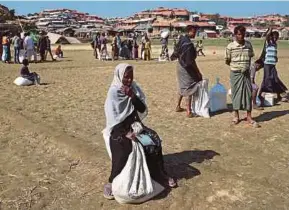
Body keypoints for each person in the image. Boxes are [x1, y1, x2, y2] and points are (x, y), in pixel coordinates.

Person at [103, 63, 176, 199]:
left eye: (131, 77)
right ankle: (112, 181)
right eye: (126, 77)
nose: (129, 80)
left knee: (153, 139)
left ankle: (159, 174)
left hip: (134, 124)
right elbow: (112, 118)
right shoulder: (114, 92)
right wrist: (126, 133)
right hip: (119, 129)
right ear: (119, 77)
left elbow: (142, 109)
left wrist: (133, 97)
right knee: (123, 146)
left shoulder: (134, 88)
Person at [225, 25, 259, 127]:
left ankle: (249, 116)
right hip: (235, 73)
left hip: (246, 74)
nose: (241, 36)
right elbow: (227, 60)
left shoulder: (248, 45)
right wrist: (237, 67)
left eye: (243, 34)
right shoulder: (230, 46)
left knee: (248, 94)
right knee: (236, 94)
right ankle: (236, 116)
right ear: (235, 35)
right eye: (239, 34)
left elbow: (250, 57)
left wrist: (246, 68)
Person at [170, 25, 203, 118]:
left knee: (182, 86)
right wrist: (198, 72)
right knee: (189, 86)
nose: (195, 34)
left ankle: (178, 106)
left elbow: (176, 51)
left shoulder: (182, 39)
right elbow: (190, 62)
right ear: (189, 31)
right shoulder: (188, 44)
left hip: (180, 65)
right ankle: (188, 111)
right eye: (193, 32)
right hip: (186, 67)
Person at [258, 28, 288, 105]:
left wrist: (275, 58)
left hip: (273, 65)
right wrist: (270, 30)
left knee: (275, 79)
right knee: (267, 79)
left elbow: (274, 53)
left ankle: (279, 95)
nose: (275, 38)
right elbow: (267, 36)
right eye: (273, 37)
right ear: (271, 37)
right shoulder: (268, 42)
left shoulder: (275, 44)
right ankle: (261, 95)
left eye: (276, 37)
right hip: (267, 64)